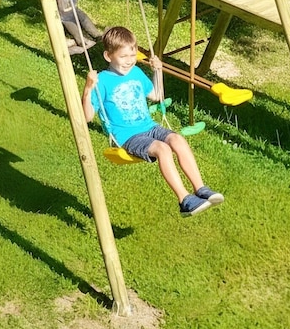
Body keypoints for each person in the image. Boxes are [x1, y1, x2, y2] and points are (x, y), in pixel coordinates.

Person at [82, 26, 224, 217]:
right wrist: (88, 89)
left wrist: (158, 72)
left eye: (132, 55)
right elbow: (87, 117)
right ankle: (185, 200)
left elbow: (156, 95)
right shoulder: (102, 81)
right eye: (123, 57)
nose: (129, 61)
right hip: (127, 136)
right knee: (162, 149)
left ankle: (201, 189)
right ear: (108, 56)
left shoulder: (136, 72)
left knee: (177, 139)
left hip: (149, 127)